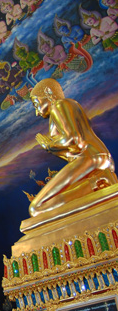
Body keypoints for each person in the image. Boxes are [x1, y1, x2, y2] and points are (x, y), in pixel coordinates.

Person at [29, 78, 117, 218]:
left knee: (36, 208)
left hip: (89, 157)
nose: (37, 112)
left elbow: (74, 142)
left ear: (48, 92)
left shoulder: (59, 105)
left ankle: (98, 183)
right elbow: (72, 148)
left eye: (36, 104)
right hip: (94, 159)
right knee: (44, 208)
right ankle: (97, 186)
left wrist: (50, 145)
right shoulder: (67, 106)